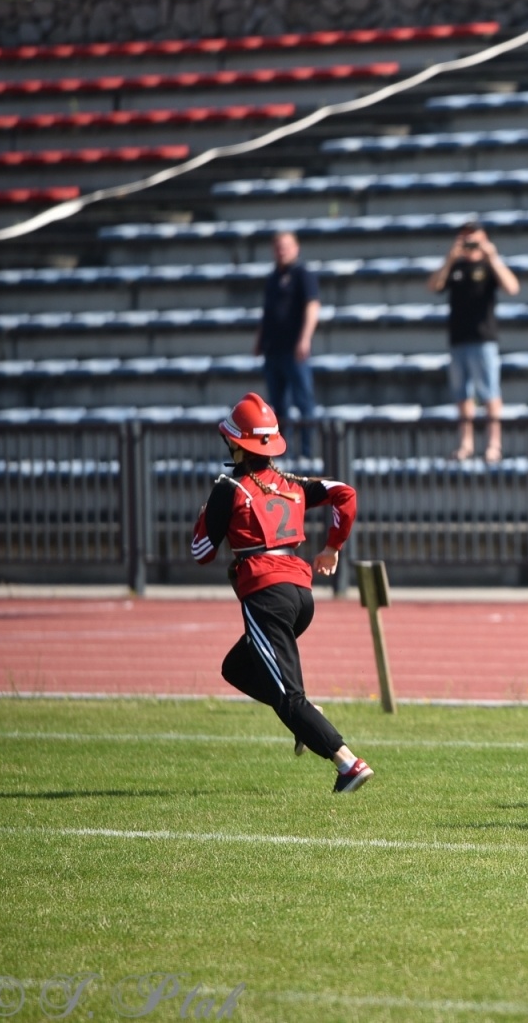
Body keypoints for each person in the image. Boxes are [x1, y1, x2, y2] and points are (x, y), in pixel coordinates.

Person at [191, 392, 374, 793]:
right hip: (300, 595)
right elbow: (345, 492)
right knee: (236, 668)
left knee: (290, 697)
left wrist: (207, 512)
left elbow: (201, 552)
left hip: (266, 597)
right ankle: (308, 718)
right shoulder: (292, 484)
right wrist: (332, 547)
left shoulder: (230, 487)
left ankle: (348, 763)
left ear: (237, 446)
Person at [427, 221, 521, 463]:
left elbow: (512, 287)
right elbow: (434, 286)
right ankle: (466, 444)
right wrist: (449, 258)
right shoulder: (455, 266)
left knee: (490, 394)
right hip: (458, 339)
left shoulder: (489, 266)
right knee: (462, 396)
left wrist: (492, 257)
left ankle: (493, 445)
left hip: (483, 339)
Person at [254, 231, 320, 457]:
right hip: (273, 350)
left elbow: (312, 306)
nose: (281, 251)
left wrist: (305, 338)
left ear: (296, 248)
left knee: (304, 402)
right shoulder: (273, 278)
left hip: (294, 350)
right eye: (278, 247)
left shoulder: (303, 275)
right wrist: (259, 341)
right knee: (278, 407)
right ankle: (282, 453)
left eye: (286, 246)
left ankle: (308, 453)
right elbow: (268, 313)